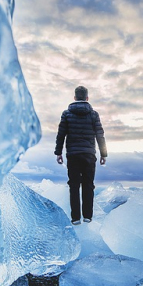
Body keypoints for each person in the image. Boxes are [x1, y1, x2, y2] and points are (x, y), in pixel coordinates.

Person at [54, 85, 108, 225]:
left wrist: (58, 152)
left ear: (75, 97)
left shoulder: (66, 114)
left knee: (74, 186)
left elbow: (61, 134)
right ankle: (88, 216)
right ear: (87, 98)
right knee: (88, 185)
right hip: (89, 155)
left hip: (72, 155)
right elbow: (100, 135)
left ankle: (76, 218)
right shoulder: (93, 114)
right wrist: (103, 154)